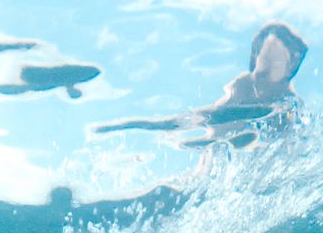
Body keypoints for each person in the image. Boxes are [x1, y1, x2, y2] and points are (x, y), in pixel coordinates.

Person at [95, 21, 308, 148]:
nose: (265, 76)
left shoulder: (290, 103)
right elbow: (213, 119)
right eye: (263, 69)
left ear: (290, 69)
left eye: (277, 65)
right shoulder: (243, 85)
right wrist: (172, 125)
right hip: (228, 145)